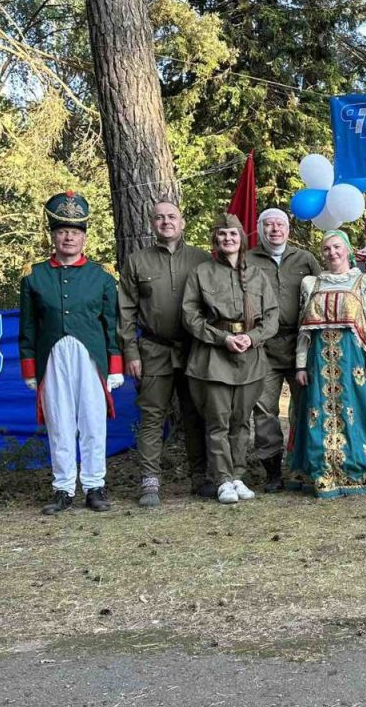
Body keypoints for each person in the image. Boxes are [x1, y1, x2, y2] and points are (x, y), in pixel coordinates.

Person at [21, 191, 123, 515]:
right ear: (53, 235)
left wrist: (115, 364)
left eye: (75, 232)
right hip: (52, 356)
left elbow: (112, 324)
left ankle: (95, 486)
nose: (69, 237)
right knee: (59, 421)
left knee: (93, 421)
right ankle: (63, 487)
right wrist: (28, 369)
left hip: (90, 357)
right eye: (63, 231)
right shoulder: (34, 276)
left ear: (84, 237)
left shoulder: (102, 276)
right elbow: (28, 327)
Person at [118, 200, 211, 506]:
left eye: (172, 216)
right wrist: (131, 352)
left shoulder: (202, 259)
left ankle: (201, 477)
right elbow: (126, 312)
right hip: (153, 350)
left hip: (194, 350)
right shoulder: (136, 261)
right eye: (159, 217)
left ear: (182, 222)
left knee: (196, 414)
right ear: (152, 224)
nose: (166, 222)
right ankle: (149, 482)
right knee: (152, 417)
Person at [182, 214, 278, 504]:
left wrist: (253, 337)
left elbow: (272, 314)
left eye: (233, 234)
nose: (228, 239)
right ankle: (221, 479)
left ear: (242, 239)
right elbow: (190, 315)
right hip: (214, 358)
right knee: (218, 422)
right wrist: (222, 338)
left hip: (251, 357)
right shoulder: (202, 273)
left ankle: (238, 475)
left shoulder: (257, 275)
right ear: (216, 239)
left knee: (241, 421)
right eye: (222, 234)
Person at [287, 230, 366, 497]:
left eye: (336, 247)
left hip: (352, 360)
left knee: (354, 413)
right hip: (317, 360)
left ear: (347, 249)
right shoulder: (311, 284)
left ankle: (356, 468)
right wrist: (300, 365)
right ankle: (321, 470)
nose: (332, 253)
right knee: (316, 414)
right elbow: (303, 329)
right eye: (326, 249)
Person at [246, 208, 322, 492]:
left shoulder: (306, 259)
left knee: (306, 406)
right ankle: (272, 470)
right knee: (264, 409)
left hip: (302, 345)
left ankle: (304, 465)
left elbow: (324, 293)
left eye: (280, 224)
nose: (275, 229)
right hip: (263, 348)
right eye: (269, 225)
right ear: (260, 229)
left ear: (288, 230)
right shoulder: (247, 260)